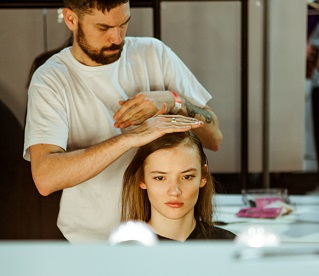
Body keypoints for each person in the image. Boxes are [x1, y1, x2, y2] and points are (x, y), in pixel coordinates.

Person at [23, 0, 223, 242]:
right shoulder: (51, 79)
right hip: (92, 242)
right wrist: (130, 138)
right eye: (104, 28)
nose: (117, 38)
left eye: (123, 24)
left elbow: (214, 137)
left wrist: (174, 101)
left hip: (164, 238)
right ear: (71, 20)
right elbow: (45, 178)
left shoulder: (154, 54)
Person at [121, 131, 235, 241]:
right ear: (142, 179)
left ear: (203, 176)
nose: (174, 191)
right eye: (160, 178)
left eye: (187, 177)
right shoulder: (126, 251)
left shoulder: (229, 246)